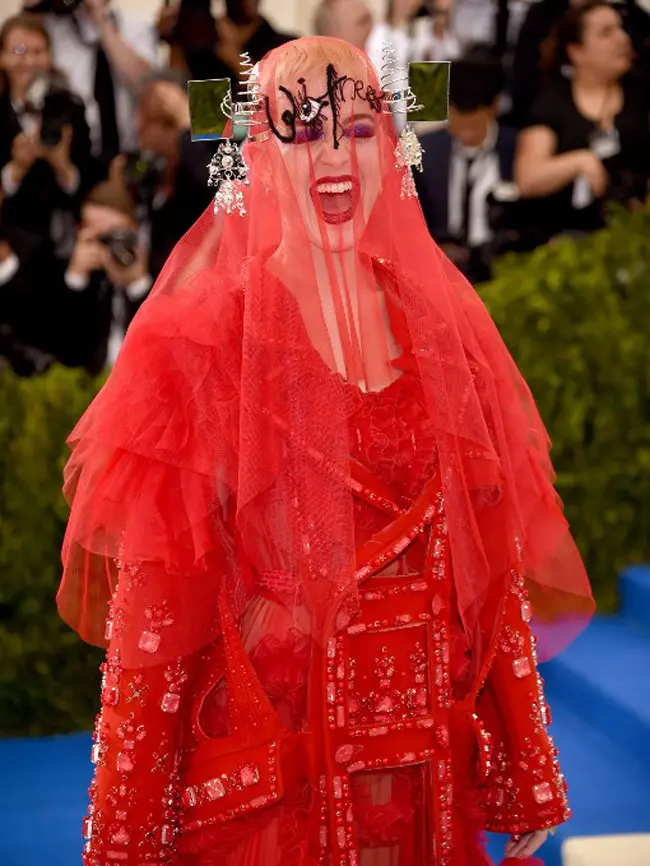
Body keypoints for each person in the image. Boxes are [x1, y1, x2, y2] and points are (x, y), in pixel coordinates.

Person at [58, 36, 594, 866]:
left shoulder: (445, 327)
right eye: (302, 131)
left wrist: (524, 761)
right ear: (257, 159)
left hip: (425, 786)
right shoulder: (197, 341)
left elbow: (489, 567)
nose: (335, 157)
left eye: (361, 128)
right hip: (276, 796)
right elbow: (155, 628)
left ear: (397, 148)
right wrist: (125, 839)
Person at [515, 1, 650, 243]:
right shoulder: (552, 101)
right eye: (606, 33)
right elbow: (528, 179)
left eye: (621, 29)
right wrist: (578, 161)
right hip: (564, 238)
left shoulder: (641, 92)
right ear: (576, 51)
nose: (622, 39)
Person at [415, 56, 517, 282]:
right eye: (458, 123)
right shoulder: (423, 152)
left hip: (502, 270)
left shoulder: (517, 151)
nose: (466, 134)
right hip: (440, 270)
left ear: (494, 107)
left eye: (474, 124)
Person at [0, 13, 93, 258]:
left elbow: (86, 180)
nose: (29, 61)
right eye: (19, 51)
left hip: (63, 239)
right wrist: (16, 168)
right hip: (9, 239)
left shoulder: (71, 107)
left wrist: (62, 166)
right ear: (2, 58)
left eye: (38, 52)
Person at [22, 0, 159, 164]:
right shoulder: (52, 28)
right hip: (74, 157)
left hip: (130, 157)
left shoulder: (138, 27)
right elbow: (19, 56)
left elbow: (144, 84)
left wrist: (100, 20)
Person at [60, 179, 152, 373]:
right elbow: (64, 353)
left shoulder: (162, 269)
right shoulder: (74, 276)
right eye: (100, 238)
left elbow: (164, 345)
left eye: (117, 236)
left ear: (135, 229)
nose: (110, 247)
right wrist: (76, 279)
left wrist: (137, 283)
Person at [160, 0, 296, 95]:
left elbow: (283, 97)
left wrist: (235, 58)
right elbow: (177, 94)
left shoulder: (286, 45)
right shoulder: (203, 42)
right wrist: (174, 40)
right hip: (209, 133)